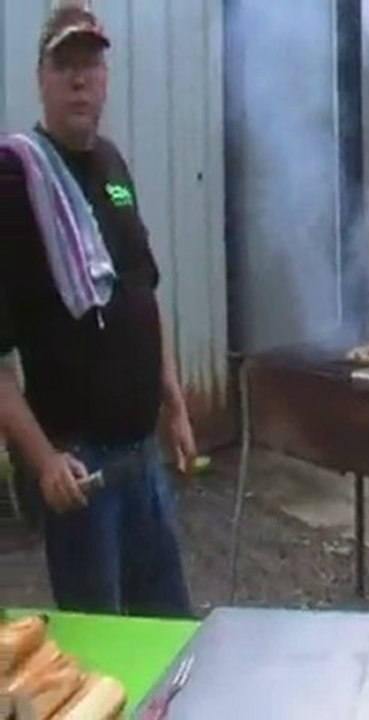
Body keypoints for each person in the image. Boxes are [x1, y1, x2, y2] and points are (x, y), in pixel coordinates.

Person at [0, 5, 195, 617]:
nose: (81, 78)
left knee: (169, 632)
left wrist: (177, 405)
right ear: (41, 78)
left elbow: (142, 291)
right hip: (81, 472)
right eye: (65, 64)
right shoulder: (14, 180)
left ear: (107, 77)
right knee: (104, 651)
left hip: (143, 457)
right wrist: (42, 459)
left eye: (92, 63)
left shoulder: (112, 165)